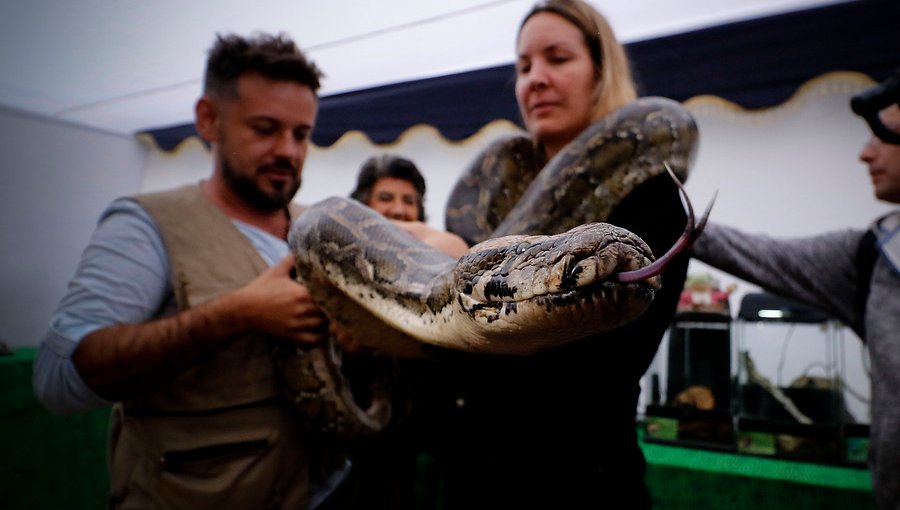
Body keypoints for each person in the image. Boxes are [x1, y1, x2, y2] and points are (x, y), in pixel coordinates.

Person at [32, 32, 350, 509]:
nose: (288, 150)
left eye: (301, 134)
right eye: (265, 128)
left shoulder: (318, 228)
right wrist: (234, 315)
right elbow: (57, 380)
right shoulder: (146, 225)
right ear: (209, 119)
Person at [410, 2, 691, 508]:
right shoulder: (491, 188)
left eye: (557, 58)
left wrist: (459, 265)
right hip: (475, 479)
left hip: (580, 481)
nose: (535, 79)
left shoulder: (651, 196)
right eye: (523, 67)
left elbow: (607, 365)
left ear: (601, 72)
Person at [690, 98, 900, 508]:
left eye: (886, 132)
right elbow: (762, 256)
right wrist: (668, 214)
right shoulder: (871, 256)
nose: (864, 152)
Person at [350, 153, 469, 258]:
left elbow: (457, 249)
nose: (399, 210)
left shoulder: (445, 247)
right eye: (385, 199)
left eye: (408, 201)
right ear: (363, 204)